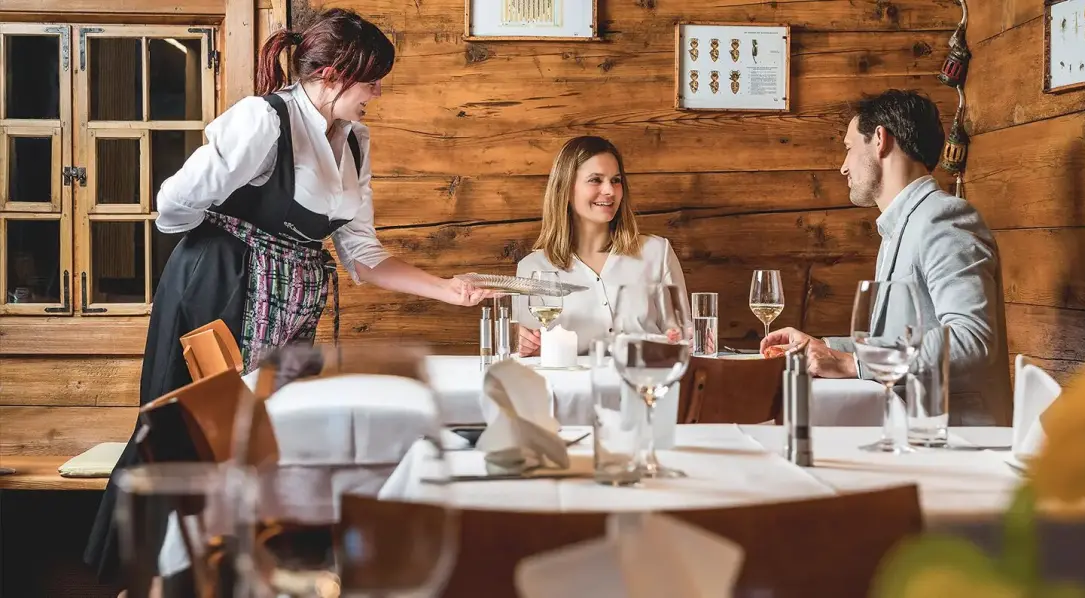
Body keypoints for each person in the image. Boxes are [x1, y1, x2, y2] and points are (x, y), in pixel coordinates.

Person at [84, 8, 490, 586]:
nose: (377, 91)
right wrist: (239, 238)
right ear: (329, 75)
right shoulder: (262, 121)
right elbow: (172, 207)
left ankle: (239, 575)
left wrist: (446, 291)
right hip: (221, 294)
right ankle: (147, 578)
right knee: (193, 438)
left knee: (262, 440)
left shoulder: (355, 143)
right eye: (370, 79)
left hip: (287, 307)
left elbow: (364, 257)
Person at [760, 89, 1012, 426]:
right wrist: (825, 346)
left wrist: (851, 364)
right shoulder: (902, 226)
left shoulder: (942, 218)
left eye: (849, 149)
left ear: (879, 139)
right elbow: (896, 339)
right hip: (911, 428)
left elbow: (972, 339)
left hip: (956, 439)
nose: (843, 167)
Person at [515, 136, 688, 356]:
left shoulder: (657, 252)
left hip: (644, 385)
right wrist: (524, 344)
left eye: (616, 180)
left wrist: (685, 341)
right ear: (566, 190)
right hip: (571, 388)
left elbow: (683, 335)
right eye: (595, 180)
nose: (610, 191)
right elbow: (530, 354)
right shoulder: (532, 269)